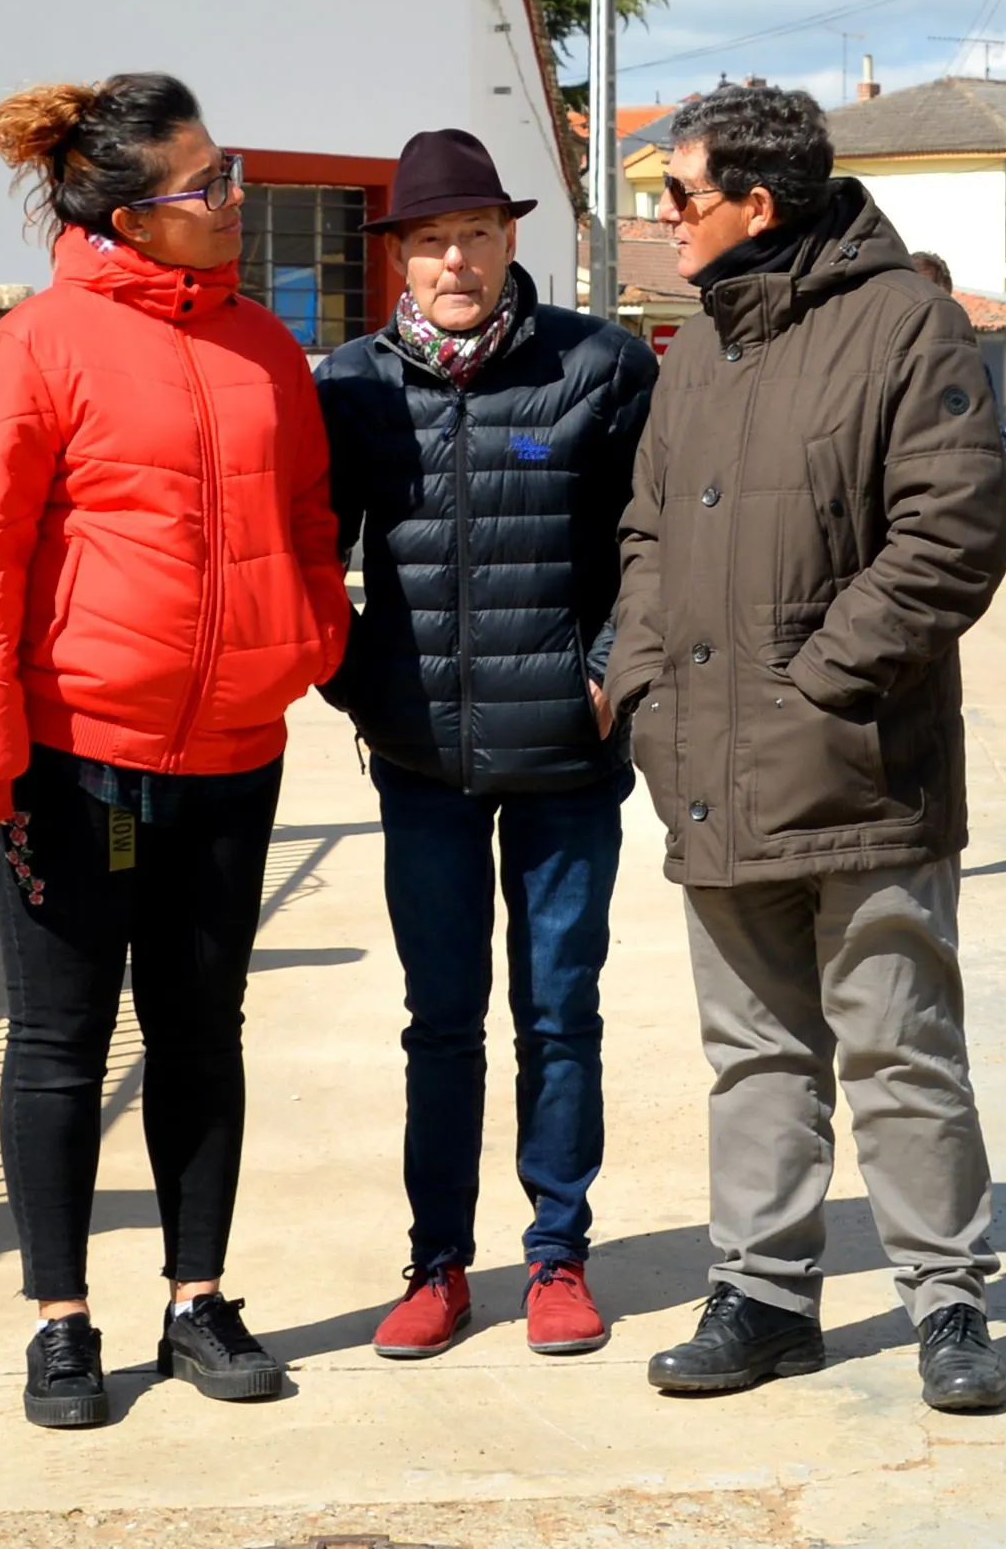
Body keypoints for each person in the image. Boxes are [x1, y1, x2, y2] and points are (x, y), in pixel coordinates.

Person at [0, 73, 347, 1431]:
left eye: (231, 174)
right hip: (75, 755)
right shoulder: (37, 348)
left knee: (200, 1032)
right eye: (206, 186)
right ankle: (61, 1322)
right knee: (59, 1041)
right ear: (125, 212)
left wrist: (310, 639)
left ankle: (197, 1300)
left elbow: (304, 508)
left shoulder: (265, 346)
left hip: (231, 749)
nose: (234, 200)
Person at [602, 79, 1006, 1414]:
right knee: (754, 1051)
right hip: (712, 778)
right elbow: (651, 535)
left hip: (862, 772)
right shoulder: (703, 347)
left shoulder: (907, 326)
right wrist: (651, 691)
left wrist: (824, 683)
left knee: (899, 1042)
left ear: (756, 204)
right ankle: (765, 1296)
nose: (662, 222)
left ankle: (947, 1300)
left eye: (678, 196)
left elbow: (952, 534)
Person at [313, 129, 657, 1364]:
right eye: (426, 241)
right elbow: (311, 560)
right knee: (439, 1019)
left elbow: (650, 544)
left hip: (568, 759)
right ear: (397, 259)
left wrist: (612, 669)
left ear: (511, 240)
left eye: (472, 234)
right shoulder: (349, 386)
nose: (452, 259)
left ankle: (557, 1257)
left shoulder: (599, 367)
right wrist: (363, 687)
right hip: (423, 767)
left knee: (560, 1012)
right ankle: (439, 1266)